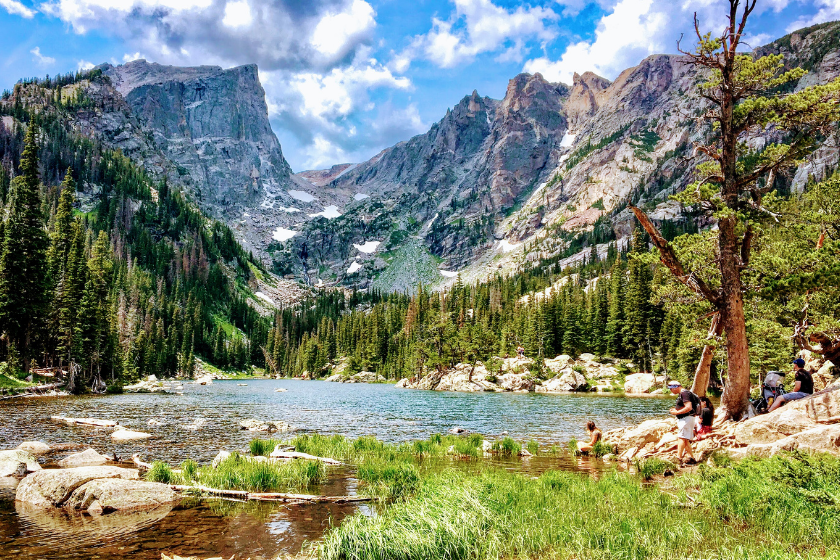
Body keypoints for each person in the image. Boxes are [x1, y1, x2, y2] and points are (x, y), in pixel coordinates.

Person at [668, 380, 698, 465]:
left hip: (686, 419)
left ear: (675, 387)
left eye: (671, 388)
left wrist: (676, 412)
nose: (670, 390)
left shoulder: (684, 394)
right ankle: (691, 457)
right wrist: (676, 410)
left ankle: (679, 458)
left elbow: (688, 407)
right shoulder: (686, 393)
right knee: (685, 439)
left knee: (681, 438)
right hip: (687, 418)